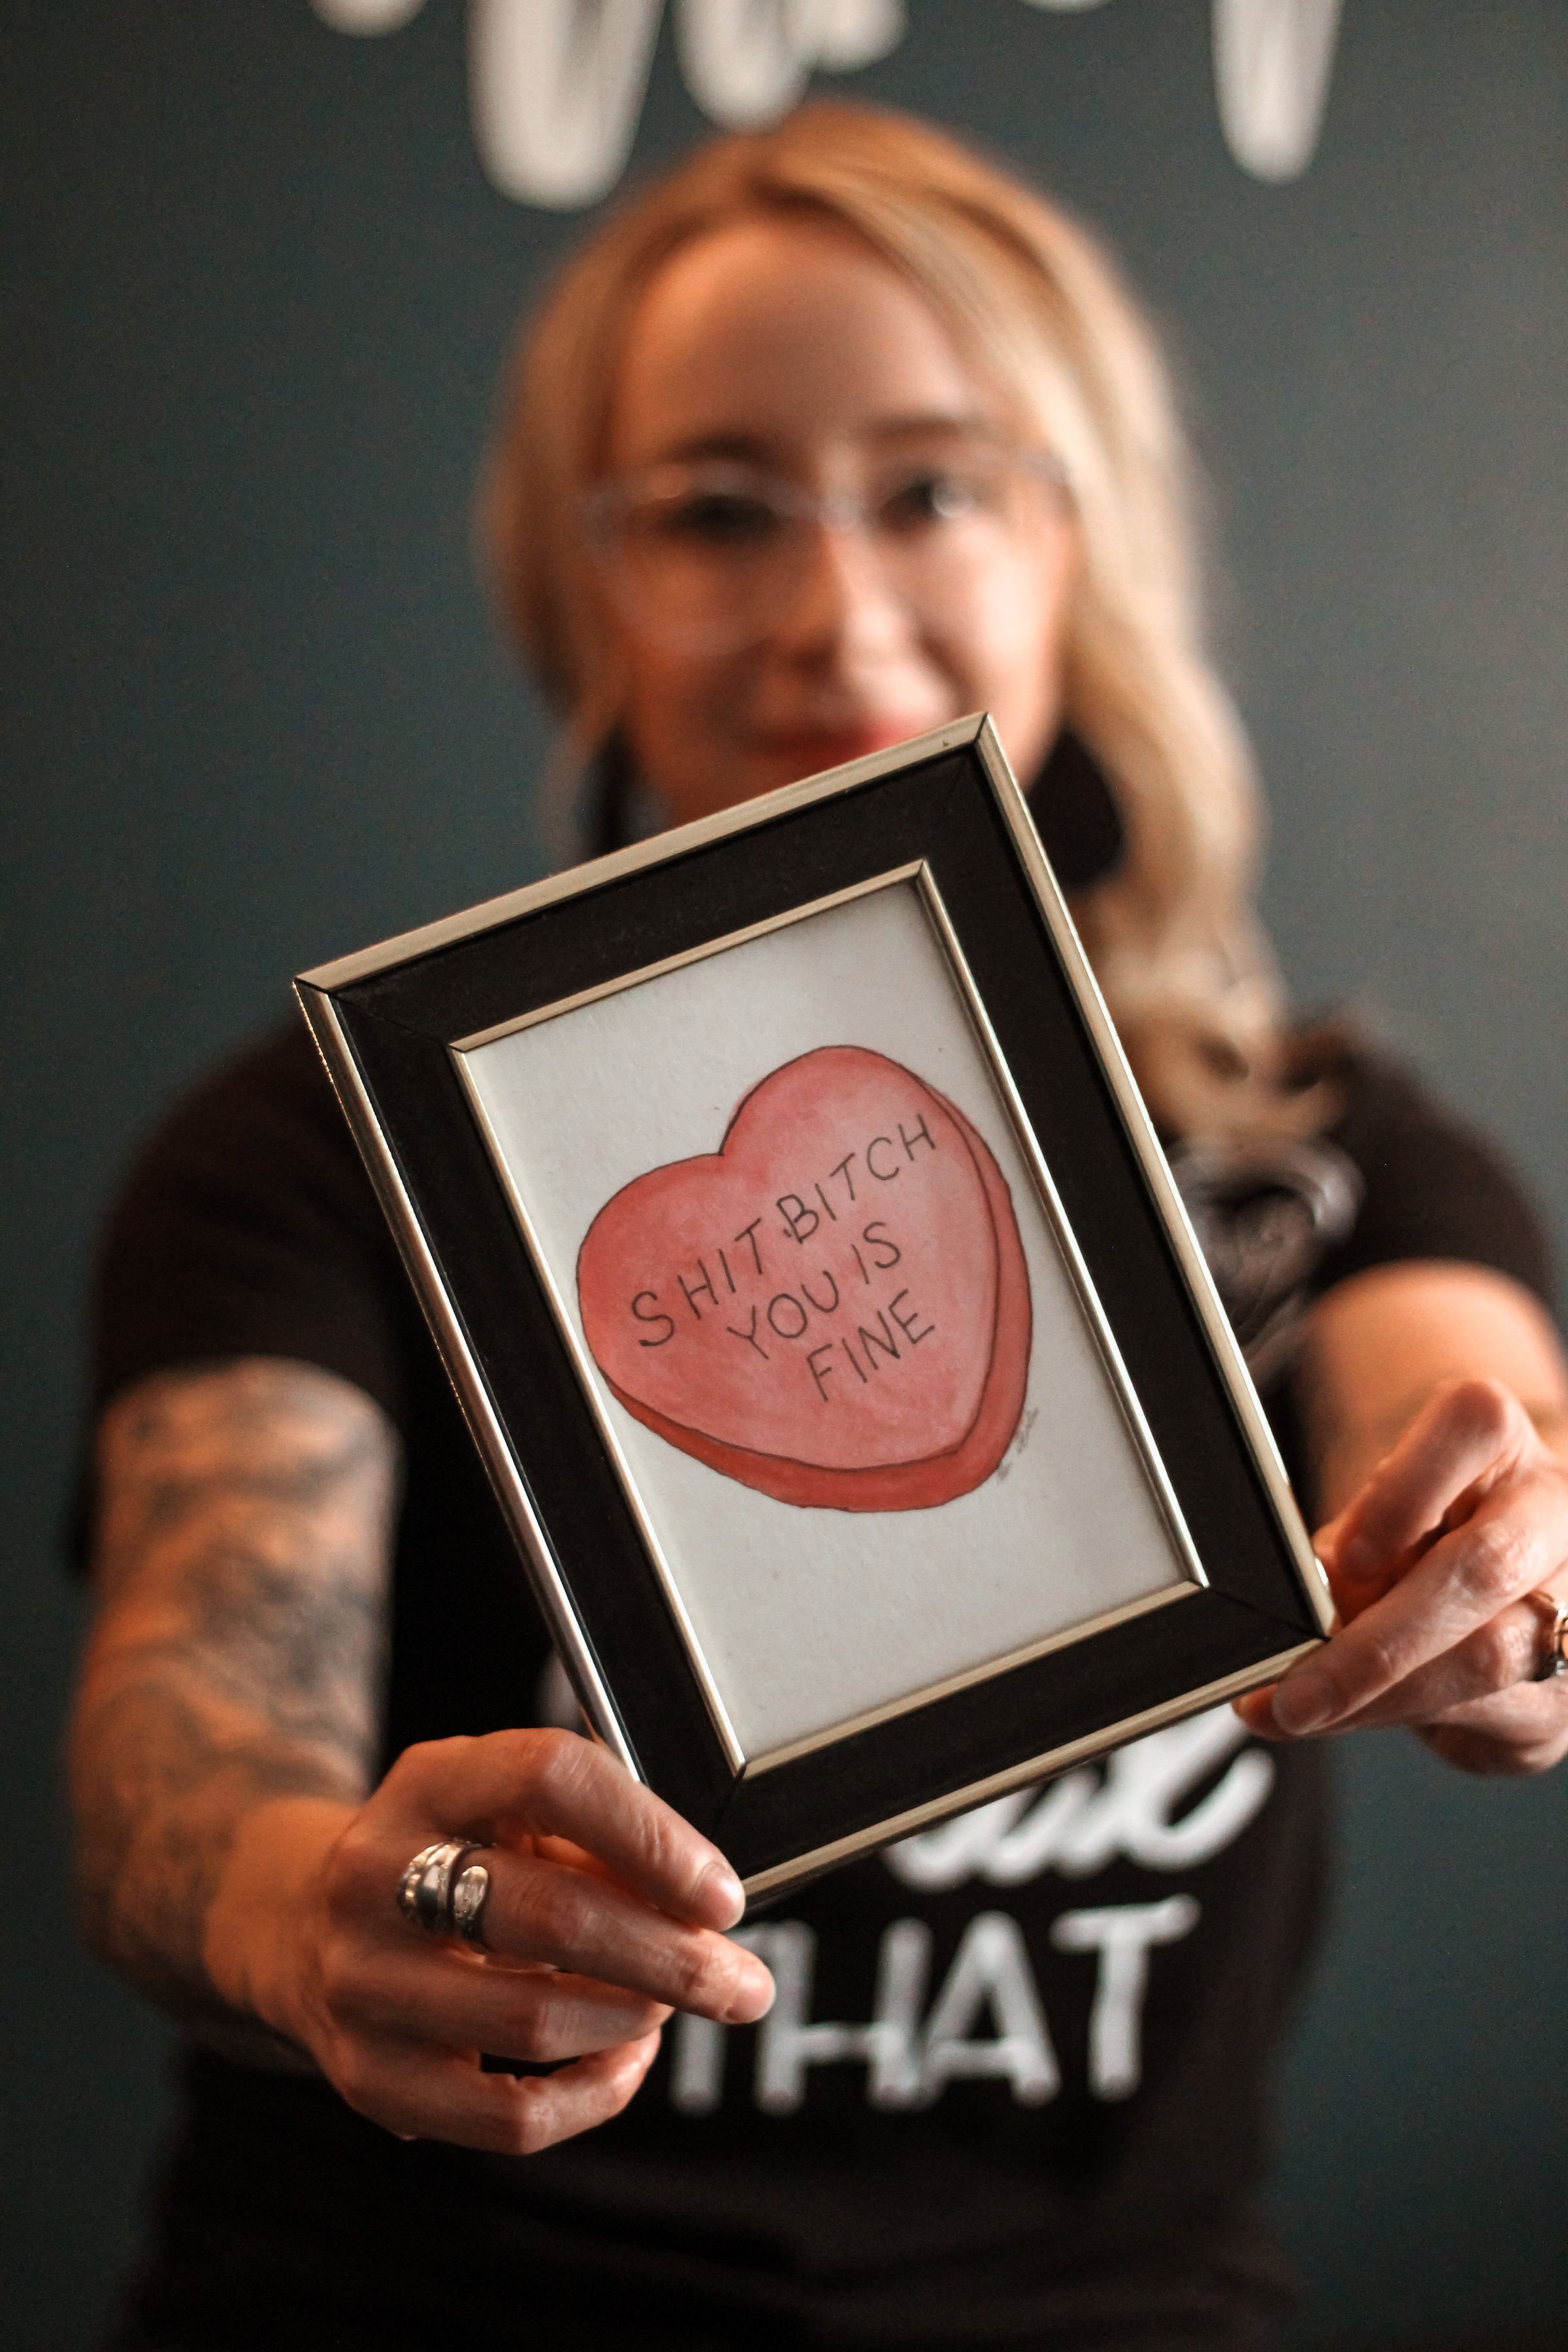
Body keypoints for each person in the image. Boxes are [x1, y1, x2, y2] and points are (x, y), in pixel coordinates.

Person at [72, 105, 1568, 2352]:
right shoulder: (319, 1151)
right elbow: (187, 1709)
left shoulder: (1324, 1153)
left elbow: (1487, 1425)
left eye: (940, 488)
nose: (835, 610)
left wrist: (1517, 1580)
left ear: (1083, 546)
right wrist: (309, 1907)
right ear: (584, 584)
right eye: (711, 511)